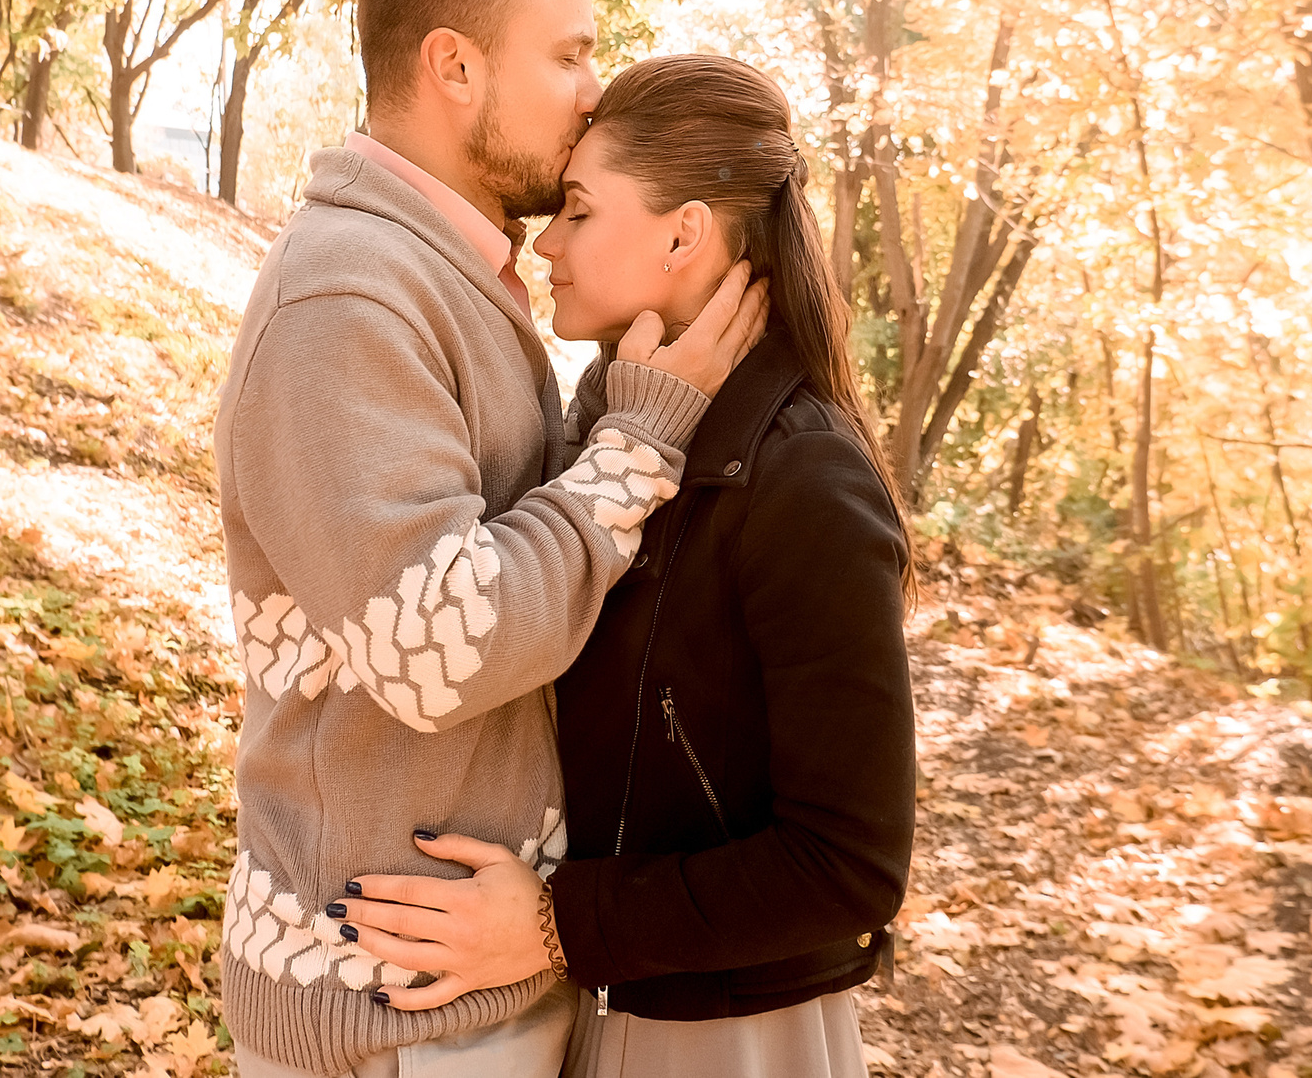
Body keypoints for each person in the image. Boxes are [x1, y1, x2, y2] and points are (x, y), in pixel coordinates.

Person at [214, 0, 769, 1078]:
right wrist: (638, 444)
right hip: (392, 1003)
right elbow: (435, 648)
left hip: (467, 977)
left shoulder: (452, 274)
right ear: (454, 66)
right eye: (568, 55)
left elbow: (504, 533)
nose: (592, 91)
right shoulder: (350, 299)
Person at [339, 54, 916, 1078]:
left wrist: (560, 927)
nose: (545, 242)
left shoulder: (805, 480)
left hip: (731, 1036)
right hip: (605, 1007)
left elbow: (850, 865)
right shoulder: (616, 417)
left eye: (576, 211)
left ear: (683, 234)